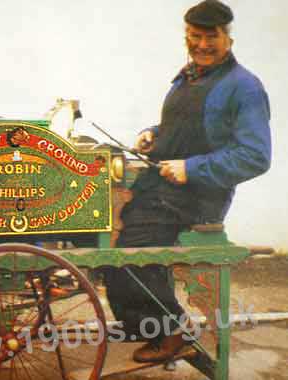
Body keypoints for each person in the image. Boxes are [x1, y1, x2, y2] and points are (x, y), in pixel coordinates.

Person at [103, 0, 271, 363]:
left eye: (211, 37)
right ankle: (154, 327)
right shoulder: (188, 75)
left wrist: (191, 168)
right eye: (195, 37)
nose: (202, 45)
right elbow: (188, 128)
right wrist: (153, 134)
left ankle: (173, 331)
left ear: (228, 37)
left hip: (200, 196)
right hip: (162, 189)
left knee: (127, 251)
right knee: (106, 235)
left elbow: (256, 156)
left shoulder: (244, 87)